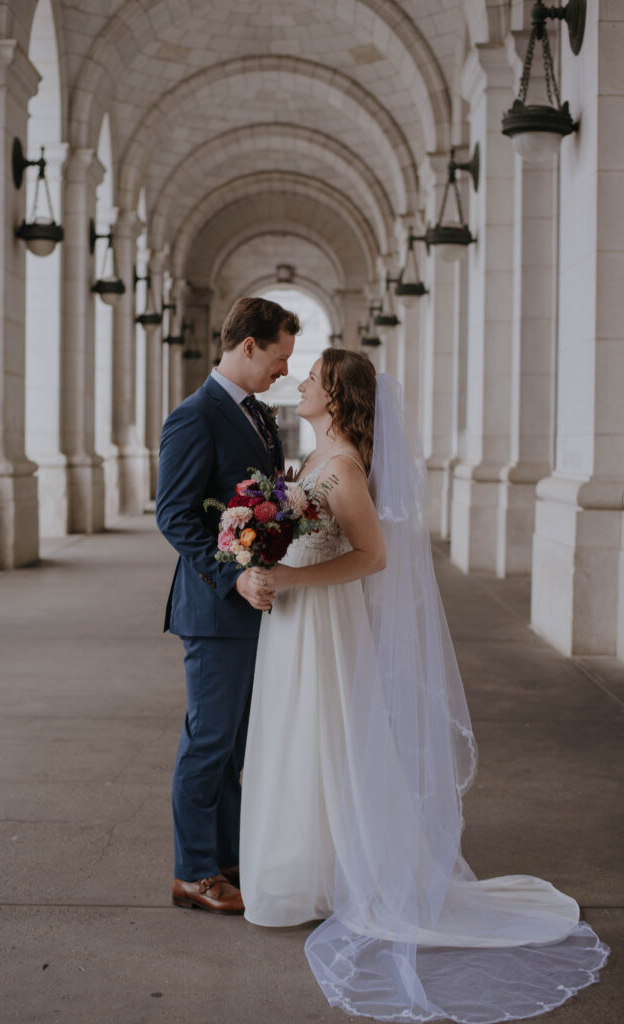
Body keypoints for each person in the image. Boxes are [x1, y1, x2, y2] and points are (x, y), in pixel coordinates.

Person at [240, 348, 608, 1022]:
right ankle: (311, 873)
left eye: (312, 377)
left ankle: (350, 874)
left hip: (325, 622)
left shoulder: (344, 466)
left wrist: (286, 576)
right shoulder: (318, 458)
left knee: (332, 736)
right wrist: (254, 562)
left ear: (336, 395)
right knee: (302, 740)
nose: (300, 383)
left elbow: (373, 556)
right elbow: (288, 537)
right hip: (296, 624)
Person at [155, 296, 298, 915]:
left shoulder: (259, 413)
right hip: (215, 610)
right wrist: (231, 575)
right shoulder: (196, 416)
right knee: (209, 741)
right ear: (248, 347)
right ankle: (192, 873)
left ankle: (229, 856)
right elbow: (174, 515)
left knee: (240, 743)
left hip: (253, 606)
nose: (286, 370)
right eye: (280, 356)